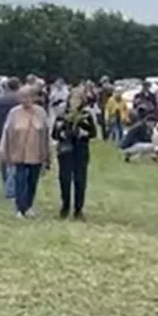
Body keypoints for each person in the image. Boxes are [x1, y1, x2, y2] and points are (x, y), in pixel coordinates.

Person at [0, 83, 51, 217]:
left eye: (27, 97)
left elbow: (45, 133)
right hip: (18, 153)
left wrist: (48, 154)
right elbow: (7, 131)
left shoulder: (41, 112)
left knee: (32, 181)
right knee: (20, 180)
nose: (24, 100)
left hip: (36, 153)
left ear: (33, 97)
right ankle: (19, 208)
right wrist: (3, 150)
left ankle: (28, 206)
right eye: (22, 97)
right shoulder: (14, 113)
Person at [52, 92, 98, 220]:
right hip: (65, 151)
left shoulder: (86, 115)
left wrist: (84, 132)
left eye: (78, 99)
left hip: (81, 151)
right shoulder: (62, 116)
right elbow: (54, 135)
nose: (74, 102)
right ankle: (65, 206)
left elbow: (93, 133)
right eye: (73, 99)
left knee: (80, 180)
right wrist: (60, 132)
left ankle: (78, 209)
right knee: (65, 179)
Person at [0, 77, 21, 195]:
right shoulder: (19, 100)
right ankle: (11, 184)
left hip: (0, 131)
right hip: (16, 131)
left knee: (3, 159)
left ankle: (5, 181)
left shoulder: (0, 99)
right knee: (15, 159)